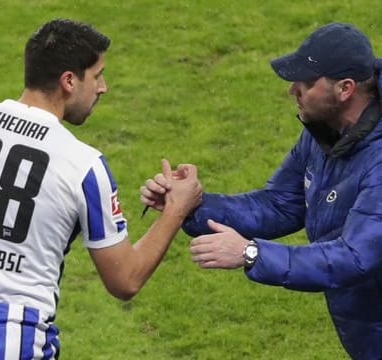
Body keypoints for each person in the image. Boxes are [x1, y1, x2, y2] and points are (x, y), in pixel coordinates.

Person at [0, 19, 202, 359]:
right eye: (98, 75)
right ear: (69, 81)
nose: (103, 87)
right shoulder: (83, 165)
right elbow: (125, 279)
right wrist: (177, 208)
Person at [140, 22, 382, 359]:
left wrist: (252, 253)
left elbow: (355, 258)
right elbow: (279, 204)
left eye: (307, 83)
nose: (292, 91)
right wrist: (189, 204)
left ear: (345, 89)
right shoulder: (325, 133)